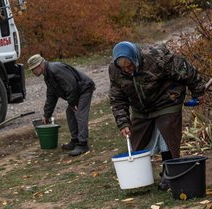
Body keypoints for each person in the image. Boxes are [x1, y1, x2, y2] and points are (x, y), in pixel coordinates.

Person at [109, 41, 207, 190]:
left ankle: (169, 173)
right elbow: (117, 98)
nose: (128, 70)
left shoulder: (156, 58)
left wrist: (198, 91)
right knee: (137, 141)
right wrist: (123, 122)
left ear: (136, 59)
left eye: (130, 66)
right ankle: (140, 176)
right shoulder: (115, 71)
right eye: (124, 68)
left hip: (167, 99)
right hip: (141, 108)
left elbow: (185, 70)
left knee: (166, 133)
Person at [27, 54, 96, 156]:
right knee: (70, 113)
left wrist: (73, 103)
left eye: (33, 69)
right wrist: (47, 115)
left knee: (79, 114)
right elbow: (51, 96)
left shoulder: (55, 69)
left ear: (40, 66)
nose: (33, 72)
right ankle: (75, 140)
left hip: (84, 89)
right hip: (77, 92)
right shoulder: (47, 75)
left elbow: (71, 86)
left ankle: (83, 144)